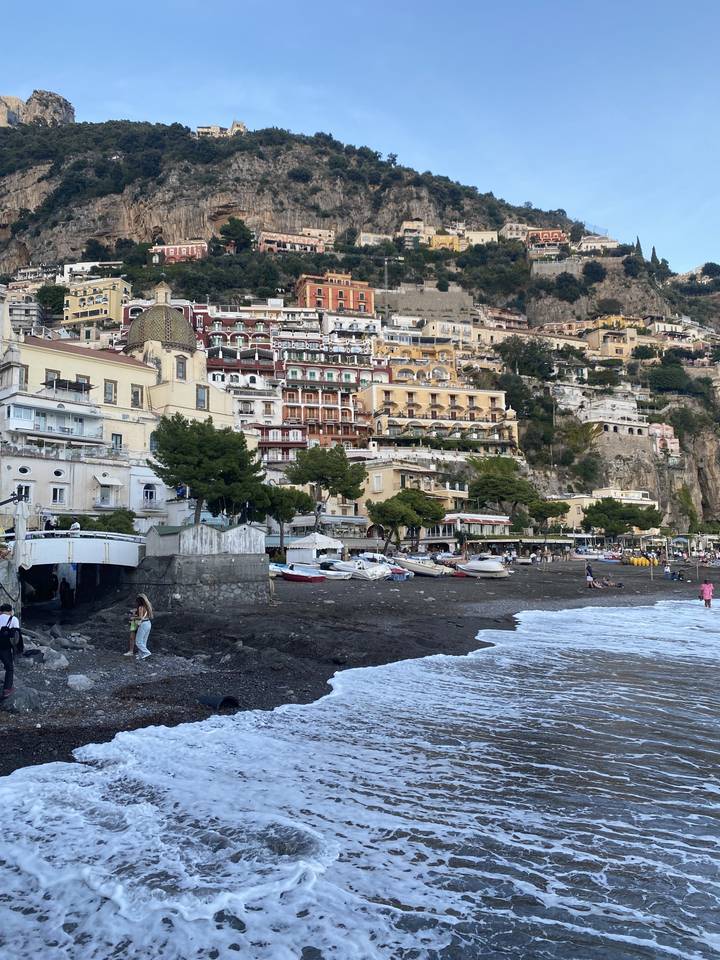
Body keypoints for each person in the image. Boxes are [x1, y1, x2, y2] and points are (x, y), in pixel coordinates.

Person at [0, 603, 21, 698]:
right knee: (9, 668)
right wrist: (19, 649)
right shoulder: (13, 619)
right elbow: (17, 635)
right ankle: (7, 690)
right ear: (10, 611)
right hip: (5, 647)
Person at [133, 594, 153, 660]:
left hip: (143, 624)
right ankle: (141, 655)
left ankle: (147, 653)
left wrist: (133, 617)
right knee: (144, 641)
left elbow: (140, 617)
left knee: (138, 642)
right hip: (148, 623)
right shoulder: (147, 607)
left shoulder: (141, 607)